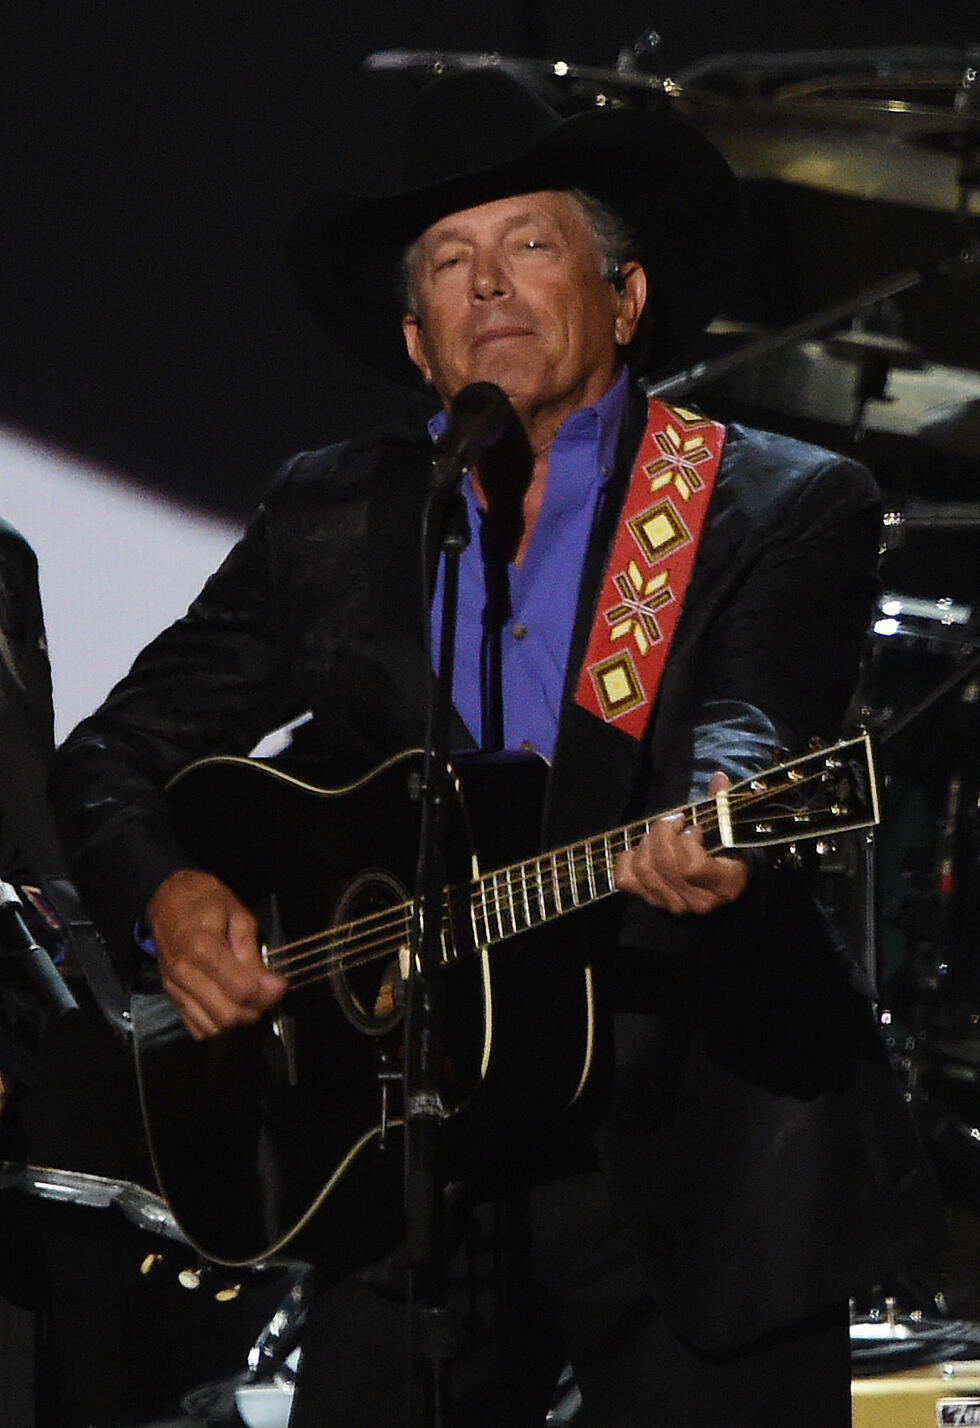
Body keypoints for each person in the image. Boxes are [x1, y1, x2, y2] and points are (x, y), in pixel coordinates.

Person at [49, 69, 943, 1426]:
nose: (489, 284)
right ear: (419, 341)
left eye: (531, 243)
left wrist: (717, 821)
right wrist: (169, 898)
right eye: (451, 263)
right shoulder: (331, 513)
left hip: (686, 1158)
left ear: (625, 299)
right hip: (406, 1161)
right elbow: (113, 756)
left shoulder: (777, 503)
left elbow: (755, 724)